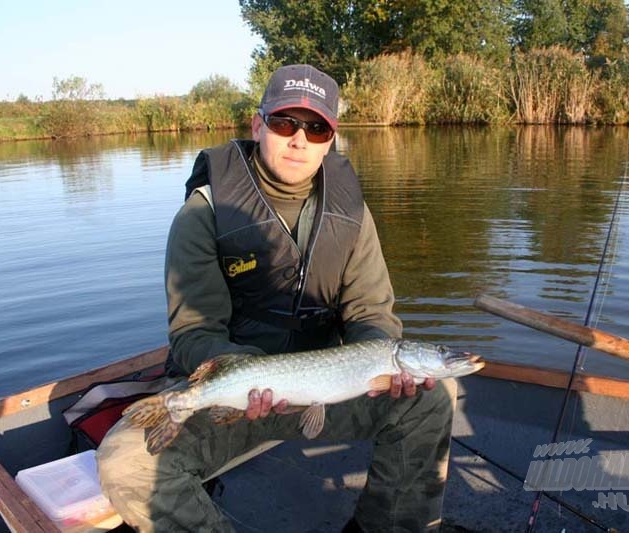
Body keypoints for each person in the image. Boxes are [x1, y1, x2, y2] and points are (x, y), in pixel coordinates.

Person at [97, 64, 457, 532]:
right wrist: (238, 372)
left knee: (432, 399)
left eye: (316, 127)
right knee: (126, 466)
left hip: (325, 391)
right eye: (284, 123)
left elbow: (371, 313)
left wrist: (381, 362)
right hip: (232, 393)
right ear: (257, 125)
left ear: (331, 137)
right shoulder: (202, 215)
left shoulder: (351, 213)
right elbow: (193, 334)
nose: (299, 139)